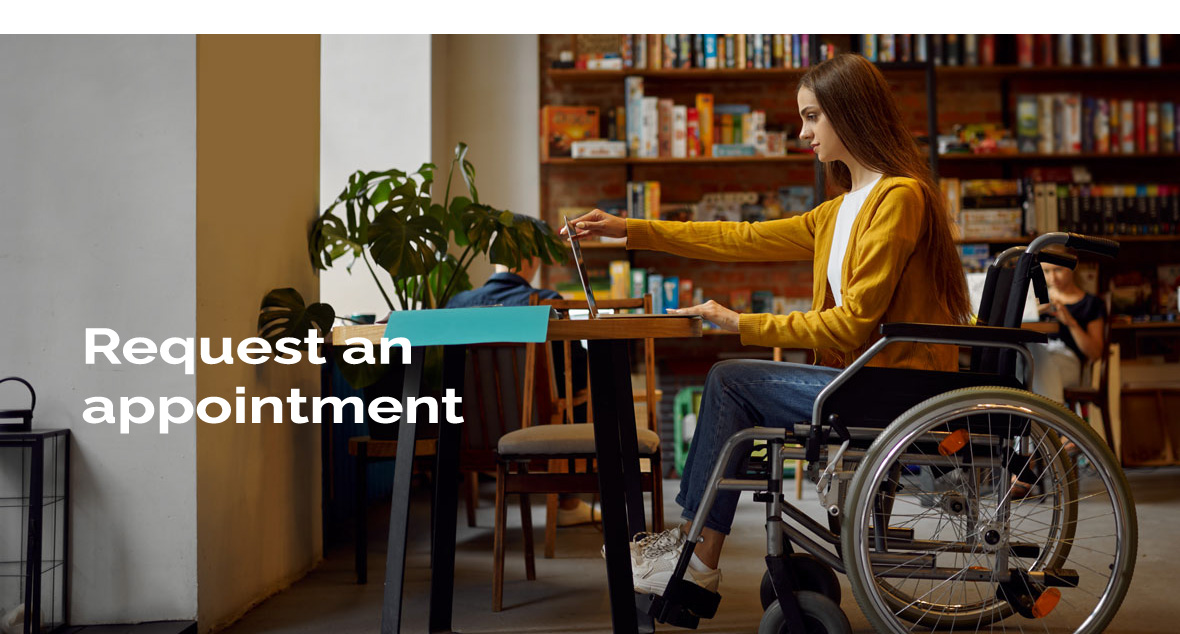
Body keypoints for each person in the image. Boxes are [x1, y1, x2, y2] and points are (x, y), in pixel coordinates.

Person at [562, 53, 971, 596]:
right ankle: (696, 551)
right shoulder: (839, 210)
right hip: (864, 382)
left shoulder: (899, 197)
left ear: (850, 113)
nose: (803, 133)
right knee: (730, 383)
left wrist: (739, 322)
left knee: (731, 381)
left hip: (894, 389)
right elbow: (740, 237)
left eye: (812, 117)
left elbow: (851, 324)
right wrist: (631, 229)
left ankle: (697, 554)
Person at [447, 257, 600, 527]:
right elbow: (575, 370)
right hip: (535, 428)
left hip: (471, 433)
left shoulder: (457, 304)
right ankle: (568, 502)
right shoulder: (546, 303)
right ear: (532, 260)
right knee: (578, 394)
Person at [1029, 247, 1106, 404]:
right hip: (1037, 357)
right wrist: (1033, 313)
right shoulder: (1033, 300)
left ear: (1073, 265)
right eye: (1046, 271)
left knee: (1034, 360)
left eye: (1058, 270)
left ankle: (1048, 415)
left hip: (1067, 361)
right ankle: (1053, 414)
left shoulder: (1091, 303)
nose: (1052, 278)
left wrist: (1071, 322)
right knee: (1029, 352)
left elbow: (1095, 353)